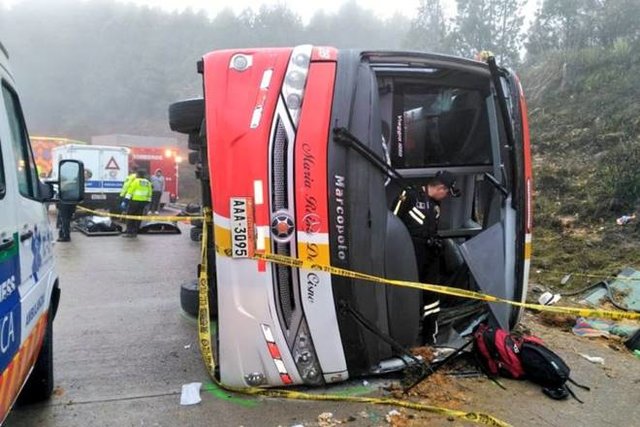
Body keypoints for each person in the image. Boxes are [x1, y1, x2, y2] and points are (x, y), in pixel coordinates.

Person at [392, 170, 460, 344]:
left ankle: (429, 338)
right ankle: (402, 338)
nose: (446, 196)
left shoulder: (436, 206)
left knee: (432, 298)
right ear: (441, 188)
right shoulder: (410, 196)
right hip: (407, 256)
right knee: (406, 296)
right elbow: (392, 222)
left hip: (429, 258)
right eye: (446, 192)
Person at [122, 169, 152, 238]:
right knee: (138, 218)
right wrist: (147, 203)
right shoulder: (148, 183)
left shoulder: (136, 181)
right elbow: (150, 193)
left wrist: (125, 201)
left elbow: (130, 192)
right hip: (142, 203)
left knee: (130, 217)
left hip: (134, 202)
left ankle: (129, 232)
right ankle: (135, 232)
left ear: (138, 175)